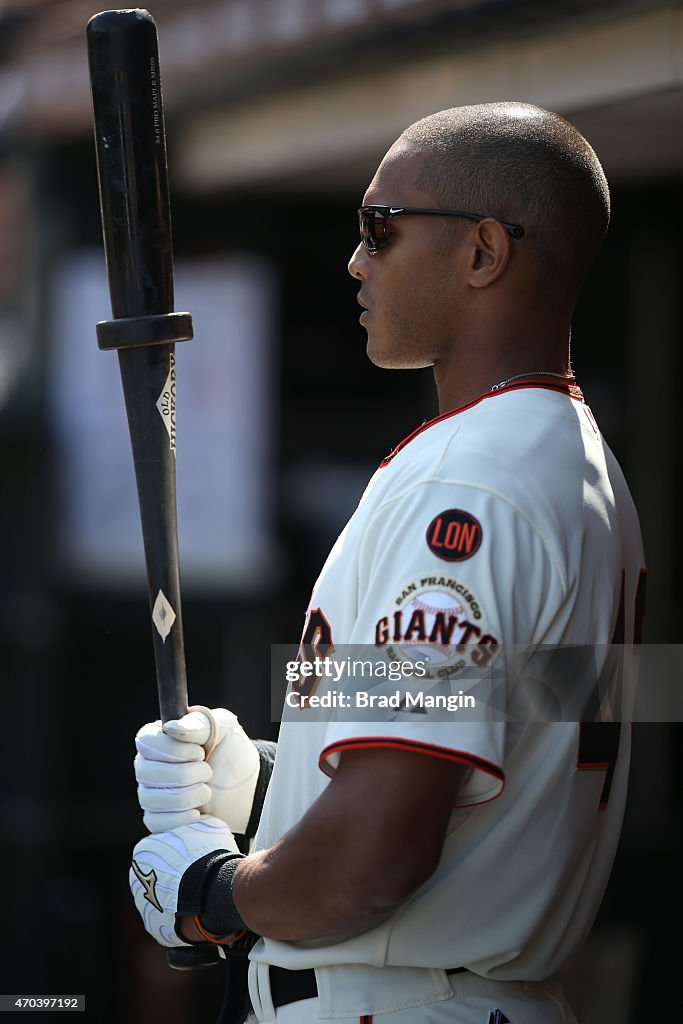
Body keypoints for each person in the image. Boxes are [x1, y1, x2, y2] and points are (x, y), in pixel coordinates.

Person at [130, 102, 646, 1024]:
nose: (355, 262)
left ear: (485, 252)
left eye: (381, 229)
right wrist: (273, 779)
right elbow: (492, 746)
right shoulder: (573, 462)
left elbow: (374, 861)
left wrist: (211, 893)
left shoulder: (472, 479)